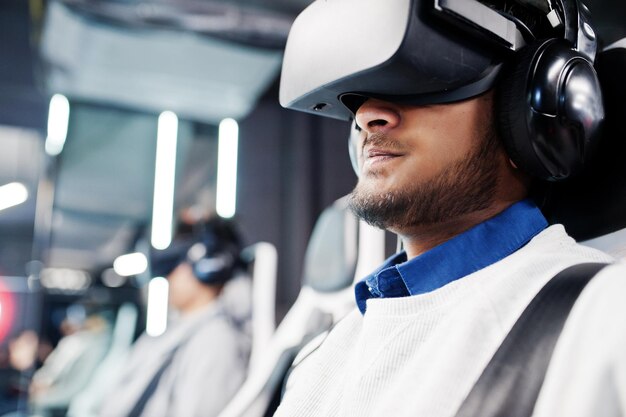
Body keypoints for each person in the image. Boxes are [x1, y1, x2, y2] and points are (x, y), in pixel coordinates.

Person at [273, 0, 626, 416]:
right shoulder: (317, 357)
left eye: (421, 73)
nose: (366, 116)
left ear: (534, 114)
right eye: (359, 96)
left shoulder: (605, 316)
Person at [98, 218, 250, 417]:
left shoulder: (214, 342)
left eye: (175, 266)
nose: (168, 278)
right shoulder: (177, 331)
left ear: (209, 266)